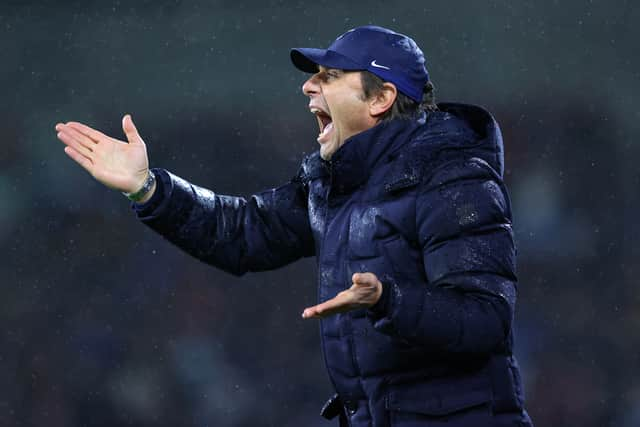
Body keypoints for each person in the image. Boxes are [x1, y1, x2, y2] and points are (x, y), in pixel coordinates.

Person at [55, 25, 533, 427]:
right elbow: (242, 232)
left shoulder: (453, 175)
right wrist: (148, 188)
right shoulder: (332, 182)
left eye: (330, 76)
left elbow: (486, 319)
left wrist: (390, 299)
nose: (308, 86)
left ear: (382, 98)